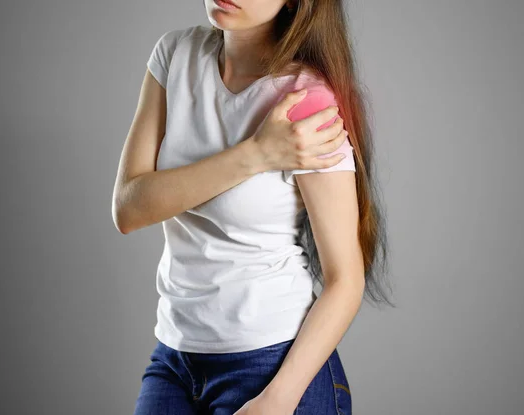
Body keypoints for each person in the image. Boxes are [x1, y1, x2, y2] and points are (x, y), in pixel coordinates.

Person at [113, 1, 394, 413]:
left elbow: (344, 280)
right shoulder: (175, 55)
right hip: (175, 356)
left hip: (270, 364)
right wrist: (256, 154)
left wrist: (278, 400)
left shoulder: (304, 101)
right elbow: (128, 209)